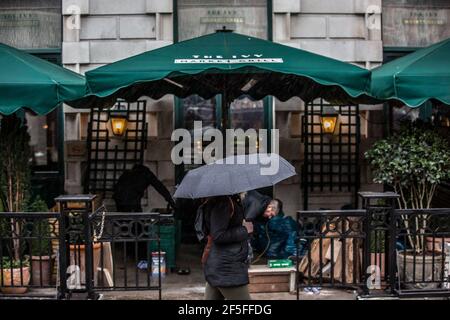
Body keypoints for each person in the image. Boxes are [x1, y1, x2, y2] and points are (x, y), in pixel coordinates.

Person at [199, 195, 253, 300]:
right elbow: (218, 235)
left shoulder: (226, 200)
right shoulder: (223, 203)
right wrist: (245, 230)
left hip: (220, 266)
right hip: (227, 268)